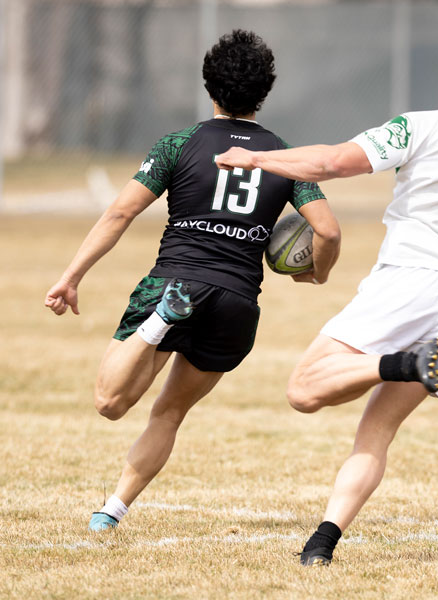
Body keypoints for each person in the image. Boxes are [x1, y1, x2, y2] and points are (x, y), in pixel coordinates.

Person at [216, 22, 438, 565]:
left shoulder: (419, 127)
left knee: (303, 390)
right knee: (378, 430)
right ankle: (322, 543)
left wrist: (256, 159)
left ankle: (399, 362)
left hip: (408, 278)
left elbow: (330, 163)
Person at [44, 29, 344, 531]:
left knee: (109, 403)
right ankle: (111, 512)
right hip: (236, 301)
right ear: (263, 92)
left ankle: (158, 323)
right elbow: (328, 231)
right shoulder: (282, 156)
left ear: (210, 87)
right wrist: (317, 273)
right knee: (169, 413)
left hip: (176, 280)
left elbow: (119, 214)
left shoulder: (179, 144)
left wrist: (72, 276)